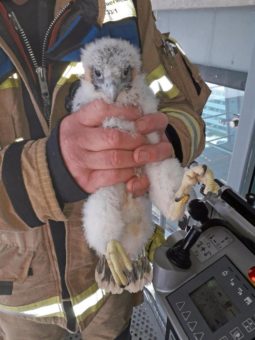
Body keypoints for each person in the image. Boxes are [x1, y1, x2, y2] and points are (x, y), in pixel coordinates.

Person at [0, 0, 209, 339]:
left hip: (115, 293)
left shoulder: (123, 3)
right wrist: (45, 172)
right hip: (20, 304)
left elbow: (184, 107)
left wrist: (166, 139)